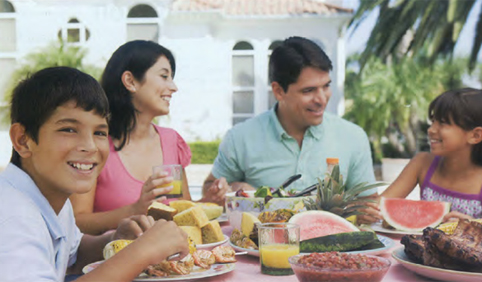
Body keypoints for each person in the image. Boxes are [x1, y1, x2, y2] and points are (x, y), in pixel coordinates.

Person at [0, 67, 189, 281]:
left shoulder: (51, 198)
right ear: (22, 140)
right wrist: (142, 252)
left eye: (99, 132)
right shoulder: (12, 218)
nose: (90, 146)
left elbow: (74, 252)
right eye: (69, 129)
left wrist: (116, 239)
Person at [202, 36, 377, 205]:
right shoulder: (239, 138)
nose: (322, 99)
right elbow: (209, 189)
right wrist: (233, 187)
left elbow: (367, 205)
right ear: (278, 91)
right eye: (308, 90)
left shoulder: (353, 137)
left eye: (326, 86)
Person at [71, 40, 218, 235]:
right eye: (164, 76)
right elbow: (77, 221)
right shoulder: (95, 145)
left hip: (172, 261)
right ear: (130, 81)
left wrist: (210, 201)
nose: (173, 87)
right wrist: (134, 211)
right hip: (115, 261)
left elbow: (183, 212)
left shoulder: (171, 141)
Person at [372, 88, 482, 223]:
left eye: (443, 123)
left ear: (475, 135)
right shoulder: (422, 163)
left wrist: (474, 227)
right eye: (433, 121)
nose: (431, 129)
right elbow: (378, 207)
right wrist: (364, 212)